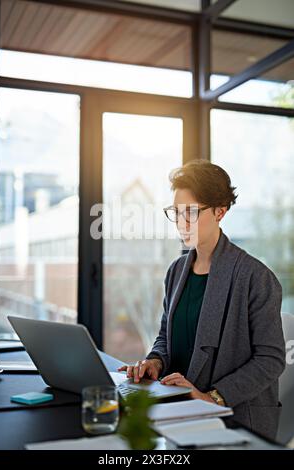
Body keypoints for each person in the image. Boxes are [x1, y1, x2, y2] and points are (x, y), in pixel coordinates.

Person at [118, 159, 286, 440]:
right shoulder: (176, 271)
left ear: (220, 211)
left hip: (234, 418)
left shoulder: (256, 277)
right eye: (177, 212)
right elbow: (165, 337)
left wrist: (215, 397)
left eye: (192, 213)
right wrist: (155, 362)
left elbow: (271, 359)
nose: (181, 223)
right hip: (179, 408)